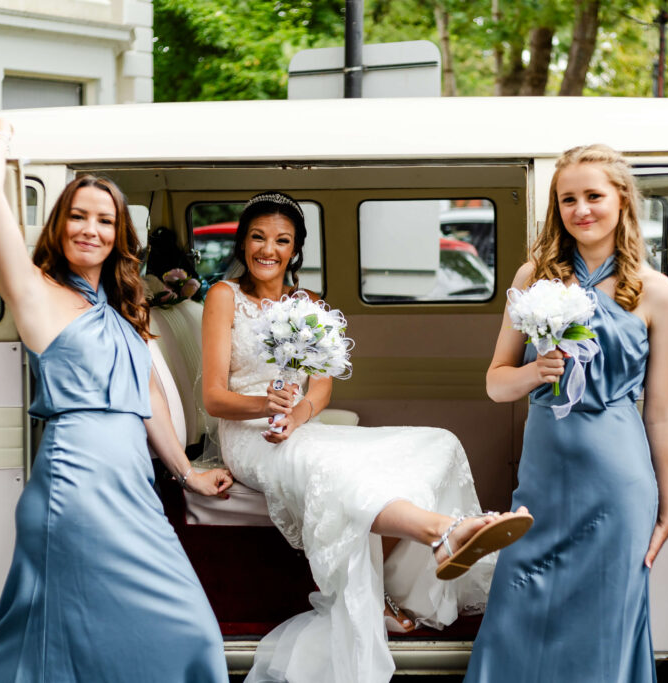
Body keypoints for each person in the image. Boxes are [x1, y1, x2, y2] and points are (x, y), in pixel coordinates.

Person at [201, 191, 533, 683]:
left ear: (296, 249)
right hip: (249, 435)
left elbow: (321, 386)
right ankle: (444, 531)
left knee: (437, 441)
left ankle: (405, 581)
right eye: (258, 237)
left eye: (282, 240)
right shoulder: (223, 297)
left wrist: (298, 415)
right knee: (340, 470)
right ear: (242, 241)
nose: (268, 249)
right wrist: (265, 407)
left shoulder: (309, 304)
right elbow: (212, 397)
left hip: (297, 428)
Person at [0, 118, 233, 682]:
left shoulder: (120, 304)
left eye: (105, 220)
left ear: (119, 235)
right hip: (74, 487)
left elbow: (147, 392)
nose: (91, 230)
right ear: (59, 225)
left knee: (167, 635)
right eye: (78, 216)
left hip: (132, 485)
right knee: (133, 636)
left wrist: (186, 472)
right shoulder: (34, 291)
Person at [464, 144, 668, 683]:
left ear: (622, 200)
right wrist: (536, 372)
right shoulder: (533, 277)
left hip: (619, 482)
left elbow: (660, 408)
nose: (581, 209)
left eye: (594, 196)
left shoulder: (659, 294)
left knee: (606, 619)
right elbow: (496, 383)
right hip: (545, 477)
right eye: (568, 199)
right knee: (520, 607)